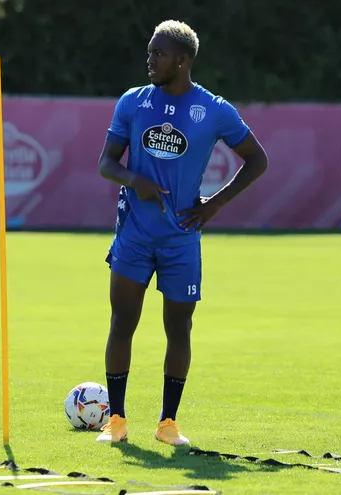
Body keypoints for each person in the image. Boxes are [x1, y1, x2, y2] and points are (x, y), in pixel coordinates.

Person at [95, 19, 268, 446]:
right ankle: (116, 421)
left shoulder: (214, 109)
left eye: (158, 53)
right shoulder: (133, 102)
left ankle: (167, 424)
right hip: (134, 233)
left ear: (182, 60)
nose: (149, 59)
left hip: (181, 239)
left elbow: (257, 160)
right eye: (150, 51)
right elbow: (106, 163)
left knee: (180, 328)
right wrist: (137, 181)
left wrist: (212, 206)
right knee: (122, 322)